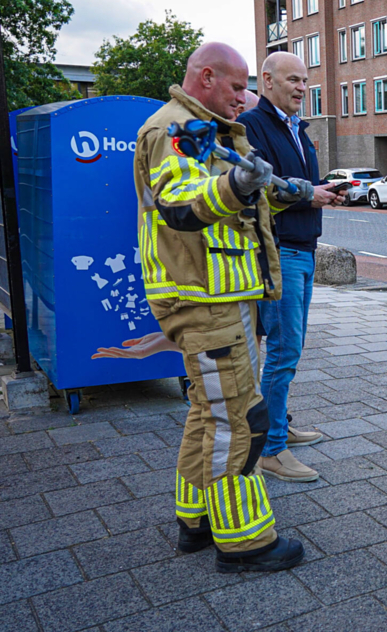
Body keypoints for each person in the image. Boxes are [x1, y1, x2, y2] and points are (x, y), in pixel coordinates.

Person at [133, 42, 313, 572]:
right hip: (205, 299)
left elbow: (235, 201)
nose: (246, 97)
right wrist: (236, 183)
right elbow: (183, 206)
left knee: (207, 412)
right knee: (242, 419)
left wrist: (278, 192)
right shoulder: (174, 130)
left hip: (212, 296)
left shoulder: (202, 127)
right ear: (205, 77)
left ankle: (196, 519)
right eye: (238, 87)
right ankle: (245, 541)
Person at [238, 52, 341, 483]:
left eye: (305, 80)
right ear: (267, 81)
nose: (302, 87)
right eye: (293, 80)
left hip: (303, 249)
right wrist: (308, 195)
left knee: (288, 351)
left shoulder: (297, 127)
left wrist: (324, 193)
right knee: (282, 352)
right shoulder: (255, 126)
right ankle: (271, 451)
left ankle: (279, 426)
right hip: (280, 252)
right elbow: (261, 186)